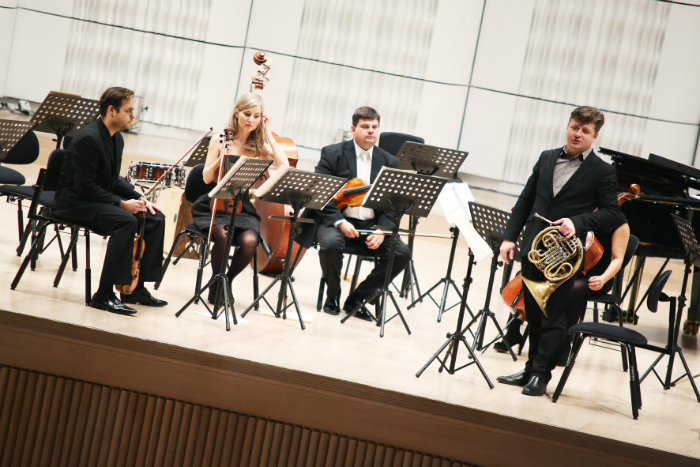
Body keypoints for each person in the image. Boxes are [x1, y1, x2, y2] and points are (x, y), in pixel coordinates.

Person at [497, 106, 623, 396]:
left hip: (564, 256)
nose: (578, 134)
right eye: (575, 127)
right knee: (532, 313)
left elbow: (612, 213)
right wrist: (509, 237)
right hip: (533, 248)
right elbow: (526, 199)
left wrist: (576, 222)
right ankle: (530, 369)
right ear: (568, 127)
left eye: (585, 131)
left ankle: (541, 375)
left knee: (553, 317)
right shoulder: (547, 157)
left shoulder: (602, 170)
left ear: (595, 137)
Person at [54, 87, 167, 314]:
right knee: (126, 221)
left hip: (94, 199)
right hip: (74, 202)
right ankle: (104, 294)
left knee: (155, 218)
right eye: (129, 110)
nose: (133, 115)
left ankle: (134, 288)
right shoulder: (88, 138)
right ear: (112, 110)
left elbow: (112, 181)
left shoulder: (116, 139)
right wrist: (121, 204)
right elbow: (86, 188)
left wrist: (140, 198)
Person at [311, 106, 411, 321]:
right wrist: (339, 221)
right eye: (365, 126)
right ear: (353, 129)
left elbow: (393, 205)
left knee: (402, 253)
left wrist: (382, 230)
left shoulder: (390, 161)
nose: (371, 131)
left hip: (372, 225)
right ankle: (333, 295)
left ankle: (358, 299)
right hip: (339, 222)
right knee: (330, 244)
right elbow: (321, 193)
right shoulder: (332, 153)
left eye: (375, 127)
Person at [190, 93, 288, 304]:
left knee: (250, 241)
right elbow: (206, 177)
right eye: (247, 114)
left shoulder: (258, 145)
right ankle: (216, 281)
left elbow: (284, 165)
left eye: (256, 116)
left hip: (242, 206)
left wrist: (269, 134)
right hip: (214, 202)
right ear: (237, 113)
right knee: (224, 236)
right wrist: (221, 159)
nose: (251, 119)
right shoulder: (219, 139)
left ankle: (226, 281)